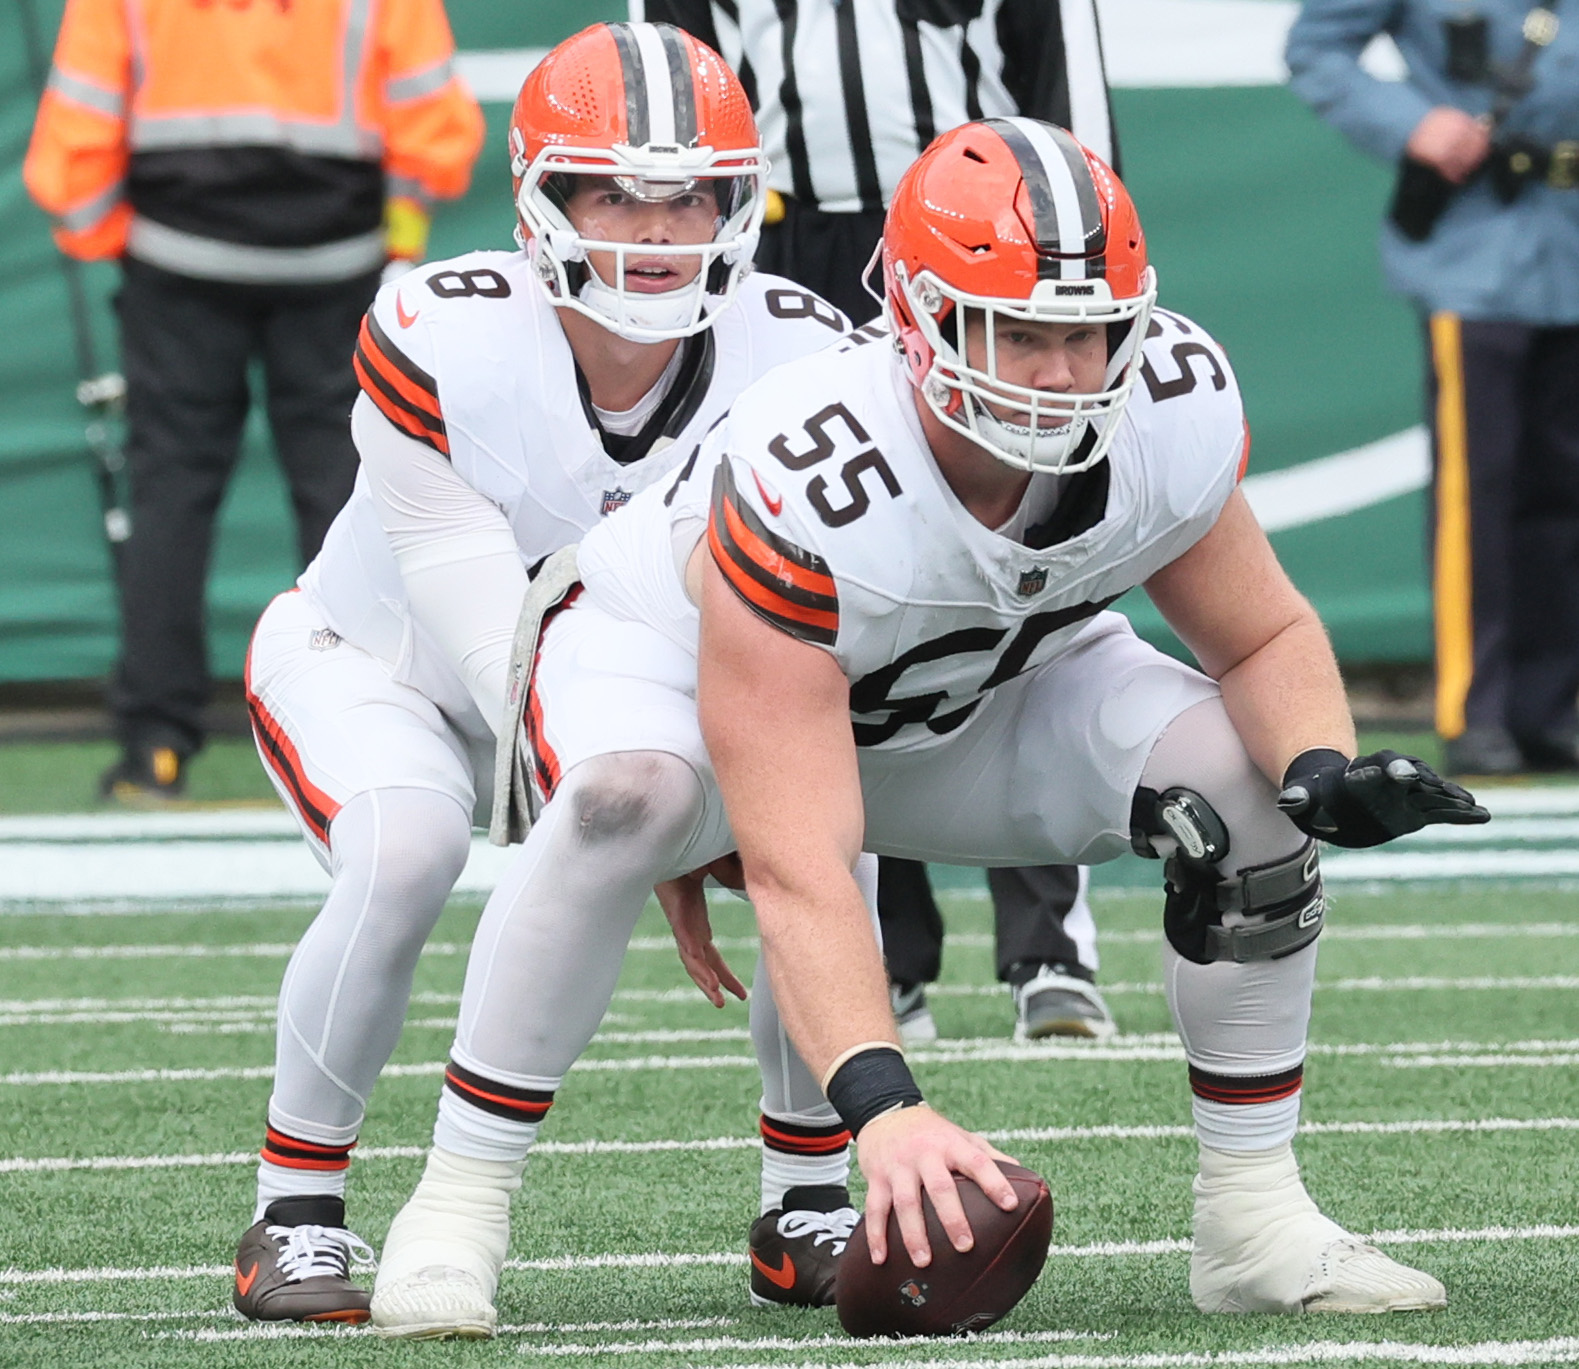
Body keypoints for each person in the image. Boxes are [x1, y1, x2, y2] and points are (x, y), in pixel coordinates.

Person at [370, 118, 1488, 1339]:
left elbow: (1261, 637)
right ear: (917, 314)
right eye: (1020, 332)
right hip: (671, 671)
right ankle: (457, 1204)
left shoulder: (1166, 407)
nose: (1059, 374)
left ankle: (1255, 1218)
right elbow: (801, 860)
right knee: (623, 797)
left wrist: (1318, 770)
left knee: (1244, 786)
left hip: (969, 700)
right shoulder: (820, 478)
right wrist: (885, 1105)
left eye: (1087, 333)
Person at [226, 22, 863, 1326]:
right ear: (542, 196)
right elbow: (494, 646)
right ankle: (294, 1209)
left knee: (828, 821)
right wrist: (669, 827)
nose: (653, 227)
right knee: (407, 848)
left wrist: (715, 799)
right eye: (614, 190)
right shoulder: (441, 331)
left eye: (686, 192)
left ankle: (809, 1199)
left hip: (602, 698)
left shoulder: (801, 353)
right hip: (384, 671)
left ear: (737, 203)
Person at [639, 0, 1122, 1043]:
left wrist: (1064, 278)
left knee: (1018, 554)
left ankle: (1049, 942)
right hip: (776, 238)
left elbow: (1070, 123)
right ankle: (888, 951)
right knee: (841, 594)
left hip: (988, 253)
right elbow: (674, 102)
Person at [22, 0, 485, 802]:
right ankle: (367, 726)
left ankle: (155, 748)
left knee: (169, 494)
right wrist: (399, 239)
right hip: (334, 266)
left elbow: (70, 154)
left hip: (174, 268)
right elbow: (436, 132)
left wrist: (112, 239)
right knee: (345, 500)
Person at [1287, 0, 1579, 776]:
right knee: (1478, 492)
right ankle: (1474, 706)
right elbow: (1317, 48)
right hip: (1480, 246)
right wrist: (1411, 124)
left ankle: (1550, 708)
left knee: (1565, 489)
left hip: (1569, 239)